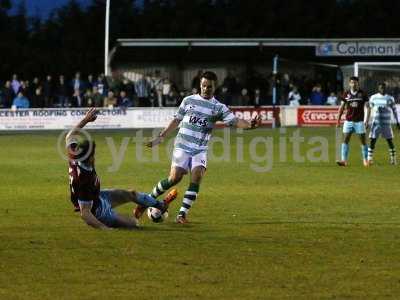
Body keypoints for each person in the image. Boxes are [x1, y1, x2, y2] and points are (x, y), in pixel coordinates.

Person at [144, 71, 261, 224]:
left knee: (196, 178)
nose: (206, 89)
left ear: (215, 87)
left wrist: (250, 125)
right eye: (204, 86)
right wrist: (161, 137)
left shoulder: (218, 107)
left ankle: (182, 215)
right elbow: (176, 120)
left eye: (209, 86)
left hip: (200, 148)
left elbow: (235, 121)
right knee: (175, 178)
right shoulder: (188, 100)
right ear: (200, 85)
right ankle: (148, 199)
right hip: (182, 145)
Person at [65, 108, 178, 229]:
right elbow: (85, 213)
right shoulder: (84, 180)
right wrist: (105, 229)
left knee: (131, 194)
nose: (95, 156)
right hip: (98, 211)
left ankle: (160, 205)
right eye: (93, 154)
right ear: (89, 158)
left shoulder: (75, 154)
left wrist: (86, 120)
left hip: (99, 197)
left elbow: (69, 136)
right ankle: (137, 217)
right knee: (133, 225)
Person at [336, 77, 369, 167]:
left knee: (363, 141)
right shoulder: (346, 94)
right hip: (348, 121)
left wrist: (367, 120)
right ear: (349, 84)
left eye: (355, 83)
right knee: (345, 140)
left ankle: (365, 160)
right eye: (352, 83)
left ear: (358, 83)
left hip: (359, 121)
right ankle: (344, 161)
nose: (353, 84)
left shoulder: (363, 94)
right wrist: (338, 120)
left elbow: (367, 107)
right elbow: (342, 107)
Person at [365, 83, 400, 165]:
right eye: (381, 88)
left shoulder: (390, 98)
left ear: (385, 88)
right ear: (378, 88)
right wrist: (366, 121)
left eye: (383, 88)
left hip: (386, 123)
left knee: (389, 140)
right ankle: (369, 159)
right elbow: (369, 108)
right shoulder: (373, 97)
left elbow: (394, 110)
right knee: (372, 140)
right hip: (376, 122)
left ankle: (393, 159)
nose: (382, 89)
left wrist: (397, 121)